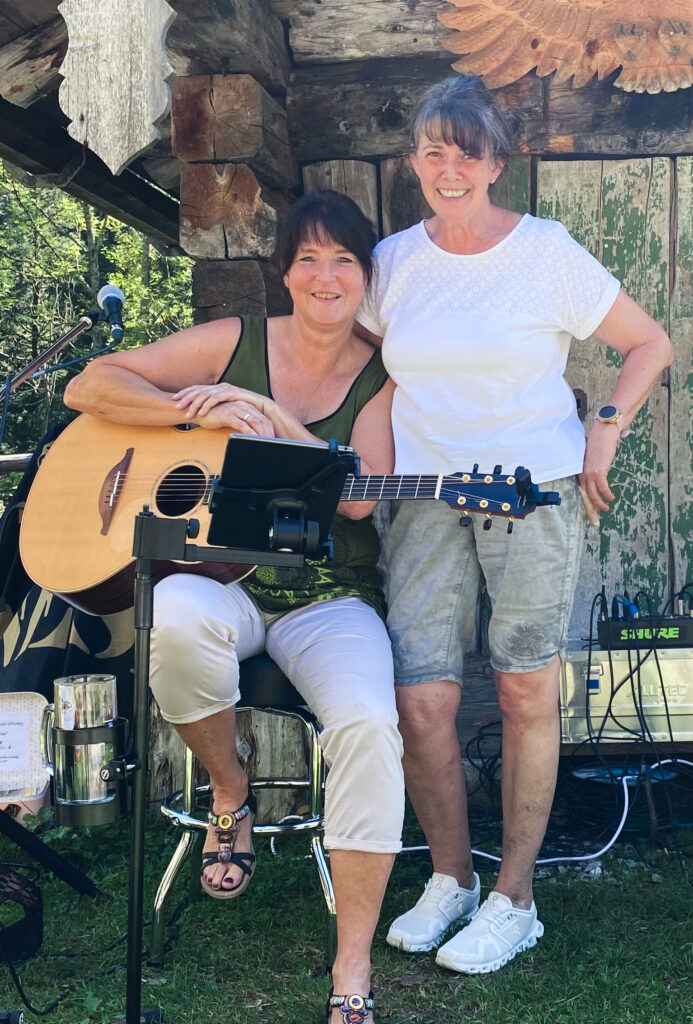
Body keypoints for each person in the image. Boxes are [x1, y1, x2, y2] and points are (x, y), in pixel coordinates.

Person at [356, 75, 673, 975]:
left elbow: (649, 341)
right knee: (423, 697)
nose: (446, 169)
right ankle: (452, 878)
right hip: (421, 500)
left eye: (465, 152)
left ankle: (515, 898)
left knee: (526, 691)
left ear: (496, 163)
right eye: (431, 150)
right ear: (413, 159)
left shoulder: (545, 252)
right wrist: (365, 471)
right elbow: (381, 382)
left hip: (532, 495)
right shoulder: (391, 261)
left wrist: (601, 437)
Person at [64, 190, 403, 1023]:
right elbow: (89, 383)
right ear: (284, 270)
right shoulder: (235, 340)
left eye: (344, 260)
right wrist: (189, 410)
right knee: (171, 615)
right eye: (308, 258)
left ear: (364, 276)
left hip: (329, 596)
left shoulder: (381, 372)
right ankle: (228, 791)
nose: (325, 277)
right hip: (223, 582)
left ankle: (350, 967)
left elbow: (356, 499)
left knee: (366, 722)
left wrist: (269, 419)